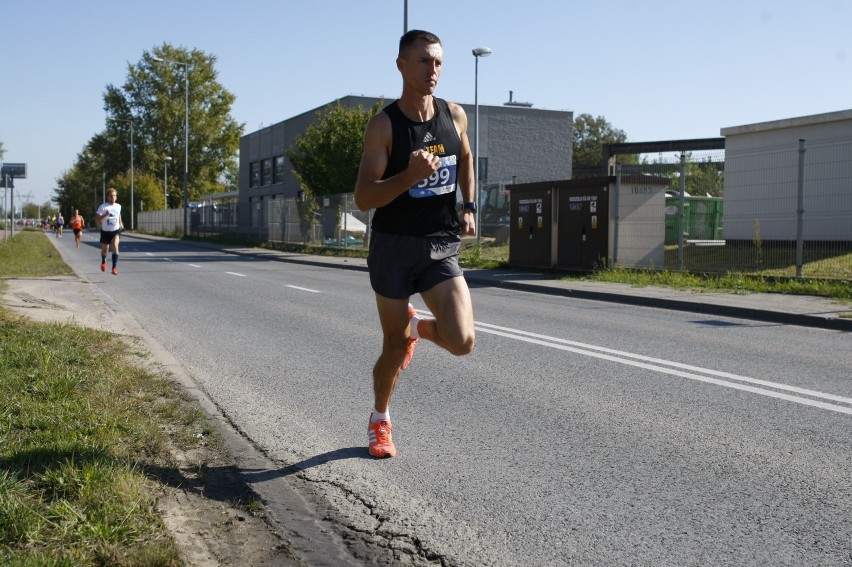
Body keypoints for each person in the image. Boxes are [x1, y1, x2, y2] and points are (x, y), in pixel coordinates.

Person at [354, 29, 477, 458]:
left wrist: (469, 205)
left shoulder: (454, 115)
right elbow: (364, 197)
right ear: (402, 66)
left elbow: (465, 158)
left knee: (462, 341)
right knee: (390, 348)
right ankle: (380, 419)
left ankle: (416, 328)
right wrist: (408, 177)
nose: (433, 70)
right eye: (424, 61)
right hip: (393, 247)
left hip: (440, 244)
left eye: (439, 62)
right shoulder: (384, 126)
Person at [95, 188, 124, 275]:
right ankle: (103, 261)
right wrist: (105, 215)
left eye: (114, 195)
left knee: (115, 245)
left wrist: (121, 223)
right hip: (105, 232)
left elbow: (118, 215)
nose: (113, 197)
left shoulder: (118, 206)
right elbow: (97, 219)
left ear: (116, 197)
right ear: (107, 197)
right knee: (105, 249)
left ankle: (114, 268)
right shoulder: (103, 207)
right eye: (111, 196)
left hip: (116, 230)